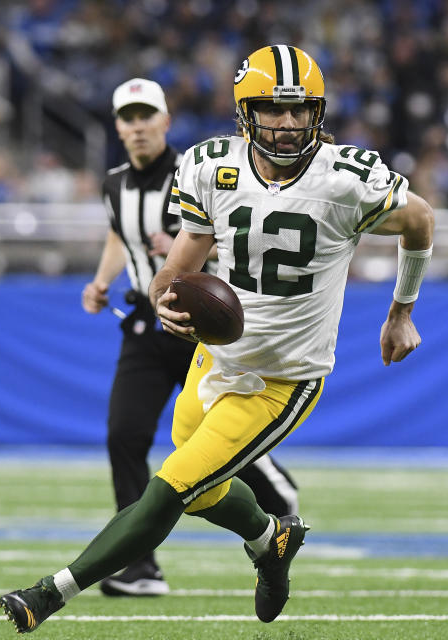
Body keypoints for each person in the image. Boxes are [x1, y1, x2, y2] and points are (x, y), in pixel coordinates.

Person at [0, 45, 435, 632]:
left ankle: (50, 594)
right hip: (214, 357)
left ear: (318, 113)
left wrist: (400, 311)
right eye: (270, 110)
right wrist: (165, 299)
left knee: (171, 488)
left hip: (282, 378)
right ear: (243, 113)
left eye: (298, 111)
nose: (285, 124)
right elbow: (177, 268)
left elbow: (421, 220)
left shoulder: (347, 179)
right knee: (202, 488)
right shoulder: (213, 168)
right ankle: (269, 540)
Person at [78, 77, 300, 597]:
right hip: (143, 322)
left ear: (165, 121)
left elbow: (245, 244)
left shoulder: (200, 172)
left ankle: (279, 504)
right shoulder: (114, 184)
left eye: (145, 117)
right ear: (118, 126)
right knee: (125, 435)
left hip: (199, 325)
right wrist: (102, 280)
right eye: (127, 119)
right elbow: (118, 234)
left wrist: (188, 253)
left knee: (217, 438)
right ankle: (139, 566)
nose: (136, 128)